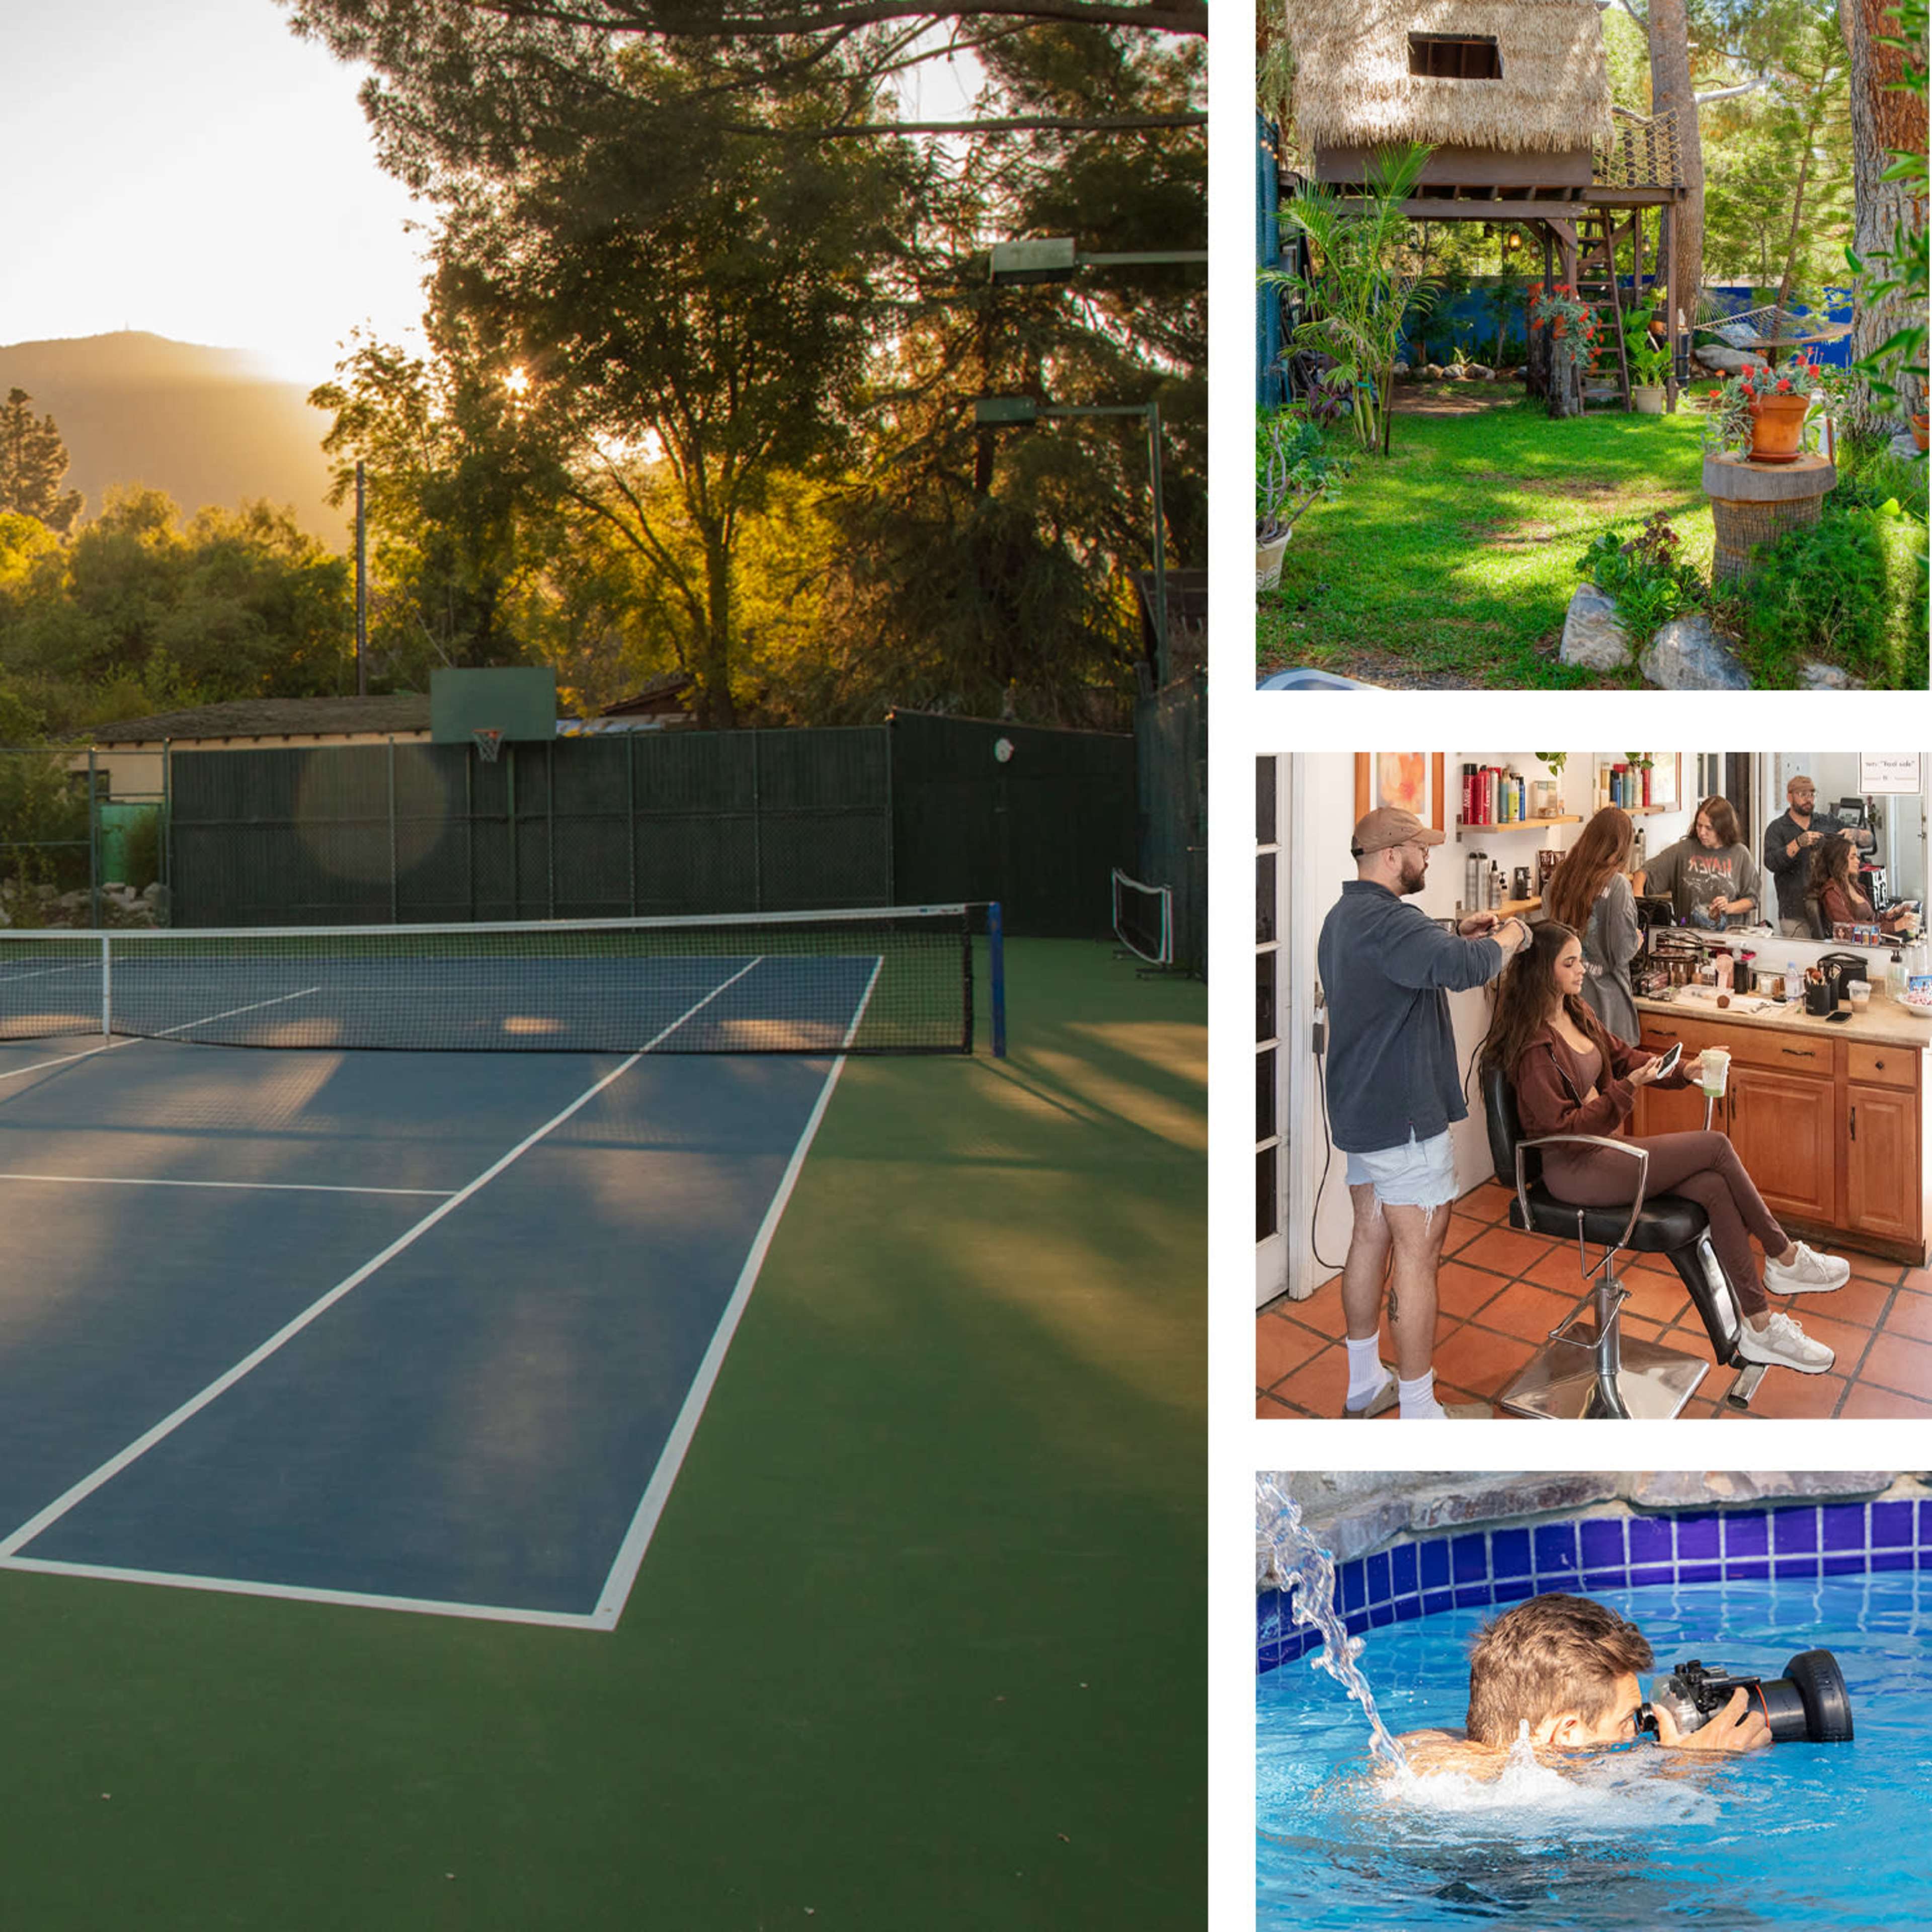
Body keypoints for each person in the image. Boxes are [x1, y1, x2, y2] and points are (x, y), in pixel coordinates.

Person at [1481, 922, 1848, 1376]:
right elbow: (1560, 1128)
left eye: (1579, 960)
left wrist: (1685, 1071)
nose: (1582, 970)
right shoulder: (1536, 1048)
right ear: (1542, 972)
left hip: (1605, 1152)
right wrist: (1624, 1093)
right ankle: (1784, 1256)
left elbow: (1623, 1057)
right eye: (1570, 963)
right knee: (1715, 1146)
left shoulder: (1576, 1012)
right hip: (1574, 1170)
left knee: (1714, 1186)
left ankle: (1759, 1326)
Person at [1317, 806, 1529, 1421]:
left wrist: (1457, 932)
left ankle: (1364, 1385)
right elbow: (1468, 970)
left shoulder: (1344, 918)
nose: (1429, 857)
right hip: (1404, 1119)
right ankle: (1419, 1412)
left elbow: (1414, 959)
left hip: (1362, 1109)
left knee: (1369, 1234)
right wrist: (1512, 934)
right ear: (1391, 856)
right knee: (1418, 1251)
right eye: (1421, 848)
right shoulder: (1393, 923)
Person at [1396, 1592, 1771, 1772]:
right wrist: (1691, 1770)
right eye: (1627, 1722)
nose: (1639, 1734)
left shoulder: (1414, 1754)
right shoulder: (1512, 1798)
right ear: (1568, 1733)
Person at [1545, 805, 1642, 1044]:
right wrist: (1636, 942)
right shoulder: (1618, 885)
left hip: (1566, 1010)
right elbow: (1621, 953)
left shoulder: (1559, 880)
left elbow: (1549, 939)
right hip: (1608, 1012)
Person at [1764, 775, 1875, 938]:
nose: (1809, 799)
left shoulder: (1828, 822)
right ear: (1790, 797)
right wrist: (1797, 843)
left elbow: (1870, 839)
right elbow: (1771, 863)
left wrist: (1856, 834)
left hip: (1830, 910)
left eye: (1812, 795)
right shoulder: (1777, 829)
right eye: (1803, 795)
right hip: (1795, 913)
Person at [1636, 795, 1761, 930]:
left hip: (1729, 942)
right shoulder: (1683, 851)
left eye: (1709, 828)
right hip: (1689, 941)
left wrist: (1729, 908)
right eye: (1699, 825)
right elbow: (1643, 873)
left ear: (1723, 828)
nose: (1702, 833)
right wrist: (1638, 906)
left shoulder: (1740, 854)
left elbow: (1753, 899)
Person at [1807, 830, 1909, 937]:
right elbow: (1847, 928)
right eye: (1852, 857)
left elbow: (1872, 919)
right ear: (1839, 861)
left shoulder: (1855, 886)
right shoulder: (1832, 893)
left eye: (1857, 857)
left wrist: (1890, 915)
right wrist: (1895, 926)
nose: (1858, 861)